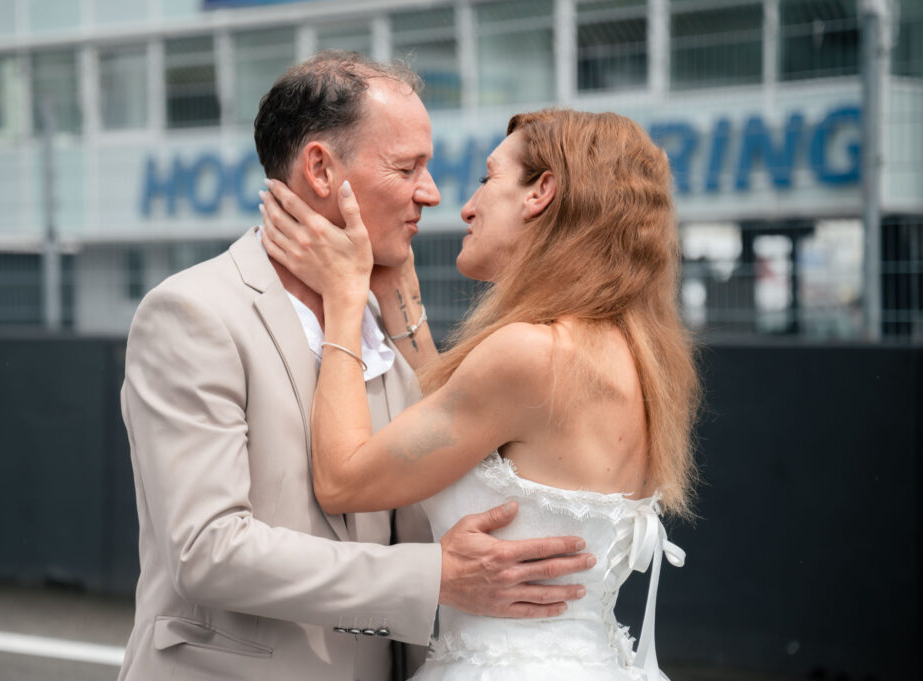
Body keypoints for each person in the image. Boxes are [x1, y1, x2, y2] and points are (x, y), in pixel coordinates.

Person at [117, 53, 596, 681]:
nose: (433, 194)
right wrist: (436, 577)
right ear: (320, 168)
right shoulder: (192, 313)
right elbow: (208, 551)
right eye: (407, 168)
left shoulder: (384, 325)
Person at [260, 108, 700, 680]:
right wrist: (399, 295)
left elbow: (343, 479)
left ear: (541, 192)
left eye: (489, 178)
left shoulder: (532, 355)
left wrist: (345, 299)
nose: (465, 206)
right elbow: (457, 429)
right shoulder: (631, 355)